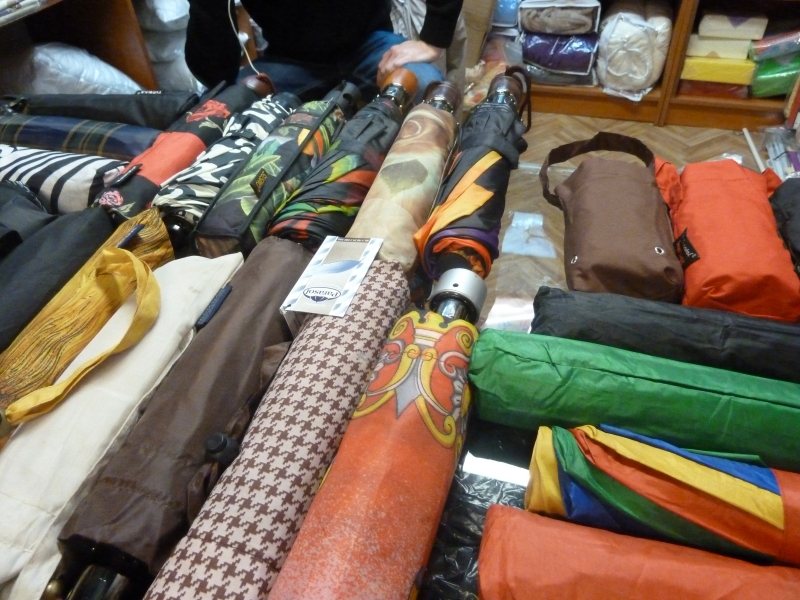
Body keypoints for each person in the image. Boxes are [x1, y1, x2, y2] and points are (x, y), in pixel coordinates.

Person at [185, 0, 464, 101]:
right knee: (218, 112)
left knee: (425, 88)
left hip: (369, 46)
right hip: (288, 62)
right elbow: (216, 75)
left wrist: (433, 39)